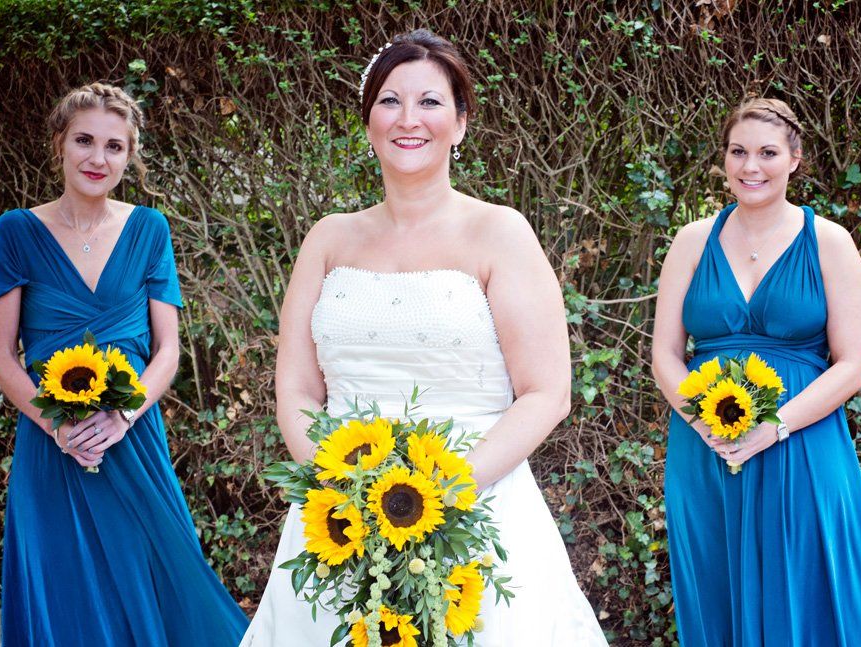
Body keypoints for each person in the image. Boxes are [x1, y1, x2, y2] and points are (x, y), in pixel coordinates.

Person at [240, 29, 607, 646]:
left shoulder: (500, 233)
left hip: (477, 507)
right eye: (390, 100)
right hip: (340, 518)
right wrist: (342, 492)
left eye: (430, 101)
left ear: (460, 124)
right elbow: (298, 389)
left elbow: (547, 392)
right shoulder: (328, 238)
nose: (408, 118)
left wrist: (441, 492)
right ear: (368, 124)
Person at [0, 83, 248, 646]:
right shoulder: (15, 232)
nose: (97, 158)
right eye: (84, 140)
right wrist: (59, 428)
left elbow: (168, 350)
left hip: (132, 439)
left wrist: (122, 417)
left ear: (130, 156)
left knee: (163, 583)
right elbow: (3, 356)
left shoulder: (149, 229)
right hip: (52, 445)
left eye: (114, 146)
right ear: (59, 143)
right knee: (65, 595)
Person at [652, 98, 861, 645]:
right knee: (716, 586)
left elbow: (852, 365)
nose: (750, 167)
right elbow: (665, 354)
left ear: (795, 159)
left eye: (767, 153)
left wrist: (774, 427)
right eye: (738, 152)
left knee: (806, 588)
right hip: (706, 448)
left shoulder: (828, 242)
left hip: (801, 443)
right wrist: (701, 422)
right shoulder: (692, 241)